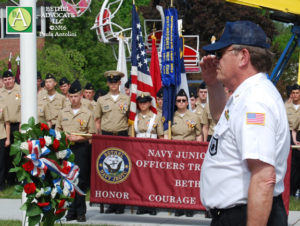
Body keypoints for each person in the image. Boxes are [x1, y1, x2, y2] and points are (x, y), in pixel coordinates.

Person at [199, 20, 289, 226]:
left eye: (221, 54)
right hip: (239, 213)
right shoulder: (247, 94)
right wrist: (213, 84)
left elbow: (264, 177)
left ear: (243, 57)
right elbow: (221, 117)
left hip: (247, 215)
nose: (216, 60)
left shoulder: (255, 101)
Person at [56, 80, 95, 222]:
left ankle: (81, 212)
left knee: (81, 180)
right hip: (67, 149)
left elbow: (92, 133)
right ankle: (70, 210)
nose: (73, 99)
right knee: (67, 180)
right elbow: (57, 130)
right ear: (68, 97)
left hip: (81, 148)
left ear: (81, 96)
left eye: (76, 96)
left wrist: (79, 138)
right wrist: (63, 136)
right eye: (71, 96)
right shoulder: (62, 112)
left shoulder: (87, 113)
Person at [95, 70, 130, 214]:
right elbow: (98, 121)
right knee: (108, 171)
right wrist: (99, 138)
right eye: (111, 82)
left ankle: (120, 203)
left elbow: (130, 119)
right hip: (107, 136)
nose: (113, 84)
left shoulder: (126, 99)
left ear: (120, 83)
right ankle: (111, 202)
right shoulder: (101, 100)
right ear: (107, 84)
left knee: (121, 170)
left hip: (122, 136)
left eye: (115, 82)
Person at [164, 89, 202, 217]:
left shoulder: (194, 117)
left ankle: (189, 207)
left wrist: (198, 152)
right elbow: (166, 136)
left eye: (184, 100)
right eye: (179, 100)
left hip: (190, 152)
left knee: (189, 179)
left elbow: (198, 135)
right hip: (175, 152)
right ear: (175, 102)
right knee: (176, 179)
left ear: (187, 103)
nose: (181, 102)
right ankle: (178, 206)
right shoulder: (170, 117)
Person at [130, 92, 163, 215]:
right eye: (140, 102)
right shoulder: (135, 117)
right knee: (140, 178)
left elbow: (160, 136)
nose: (143, 104)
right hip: (138, 150)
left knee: (151, 178)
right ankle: (141, 204)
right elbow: (132, 136)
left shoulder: (156, 117)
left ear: (150, 103)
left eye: (145, 102)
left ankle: (152, 205)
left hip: (152, 149)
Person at [0, 70, 20, 185]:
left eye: (9, 79)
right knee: (5, 155)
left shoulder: (20, 90)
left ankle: (16, 178)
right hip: (3, 127)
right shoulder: (0, 92)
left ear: (13, 79)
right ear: (3, 81)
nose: (8, 81)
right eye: (5, 79)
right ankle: (7, 179)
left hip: (17, 125)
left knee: (16, 153)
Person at [0, 100, 10, 191]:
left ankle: (1, 183)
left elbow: (7, 123)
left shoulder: (3, 105)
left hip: (1, 136)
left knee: (1, 162)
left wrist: (8, 138)